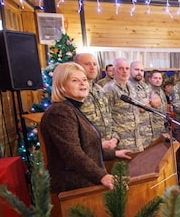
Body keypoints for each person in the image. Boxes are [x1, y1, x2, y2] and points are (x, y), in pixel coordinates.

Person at [40, 63, 132, 193]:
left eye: (84, 80)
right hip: (73, 189)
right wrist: (102, 176)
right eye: (75, 80)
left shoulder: (72, 109)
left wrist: (114, 153)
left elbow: (86, 147)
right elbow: (72, 153)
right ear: (61, 86)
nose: (83, 84)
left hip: (84, 184)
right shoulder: (60, 112)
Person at [103, 58, 149, 152]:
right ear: (114, 71)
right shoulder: (109, 89)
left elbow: (140, 106)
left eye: (127, 68)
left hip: (137, 139)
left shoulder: (131, 86)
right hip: (121, 141)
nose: (124, 71)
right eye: (120, 68)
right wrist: (113, 138)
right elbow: (105, 116)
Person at [74, 52, 117, 149]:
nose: (92, 67)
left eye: (94, 64)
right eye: (87, 64)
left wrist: (115, 138)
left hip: (109, 148)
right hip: (88, 150)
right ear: (76, 66)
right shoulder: (74, 92)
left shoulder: (100, 90)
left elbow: (109, 116)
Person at [130, 60, 163, 143]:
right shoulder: (127, 86)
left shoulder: (145, 86)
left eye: (141, 70)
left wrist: (148, 101)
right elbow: (140, 108)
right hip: (136, 134)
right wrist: (149, 102)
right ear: (130, 70)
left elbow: (158, 102)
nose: (139, 72)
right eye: (136, 70)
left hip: (150, 131)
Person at [147, 70, 169, 139]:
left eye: (160, 78)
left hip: (162, 125)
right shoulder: (146, 91)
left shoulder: (161, 90)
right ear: (150, 79)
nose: (158, 80)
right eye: (155, 78)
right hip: (152, 127)